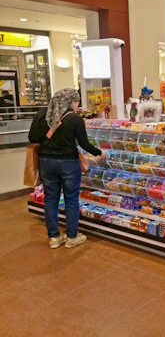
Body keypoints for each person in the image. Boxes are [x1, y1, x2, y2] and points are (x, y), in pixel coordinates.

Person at [28, 88, 106, 248]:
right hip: (68, 163)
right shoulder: (74, 119)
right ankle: (72, 236)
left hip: (46, 161)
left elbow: (32, 138)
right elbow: (84, 143)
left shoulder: (42, 114)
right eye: (77, 102)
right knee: (71, 199)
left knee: (50, 198)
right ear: (71, 102)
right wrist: (99, 153)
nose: (77, 106)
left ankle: (54, 238)